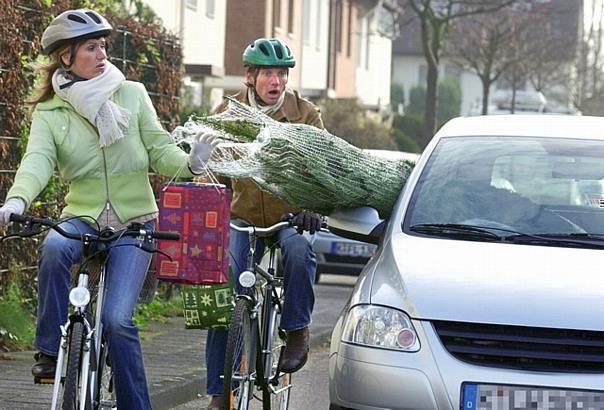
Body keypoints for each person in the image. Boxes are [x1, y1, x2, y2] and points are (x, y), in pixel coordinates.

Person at [0, 9, 216, 409]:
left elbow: (159, 149)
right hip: (82, 216)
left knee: (117, 321)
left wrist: (191, 163)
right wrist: (17, 199)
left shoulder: (131, 94)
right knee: (52, 248)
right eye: (91, 47)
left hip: (135, 223)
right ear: (66, 57)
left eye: (102, 46)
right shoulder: (51, 112)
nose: (102, 54)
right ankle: (48, 350)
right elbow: (37, 161)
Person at [203, 38, 324, 410]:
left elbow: (323, 169)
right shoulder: (228, 112)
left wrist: (313, 207)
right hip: (243, 218)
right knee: (226, 295)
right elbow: (215, 171)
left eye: (282, 73)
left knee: (300, 250)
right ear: (250, 77)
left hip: (290, 217)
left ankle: (297, 330)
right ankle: (219, 394)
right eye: (268, 73)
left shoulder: (306, 114)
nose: (277, 81)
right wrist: (211, 199)